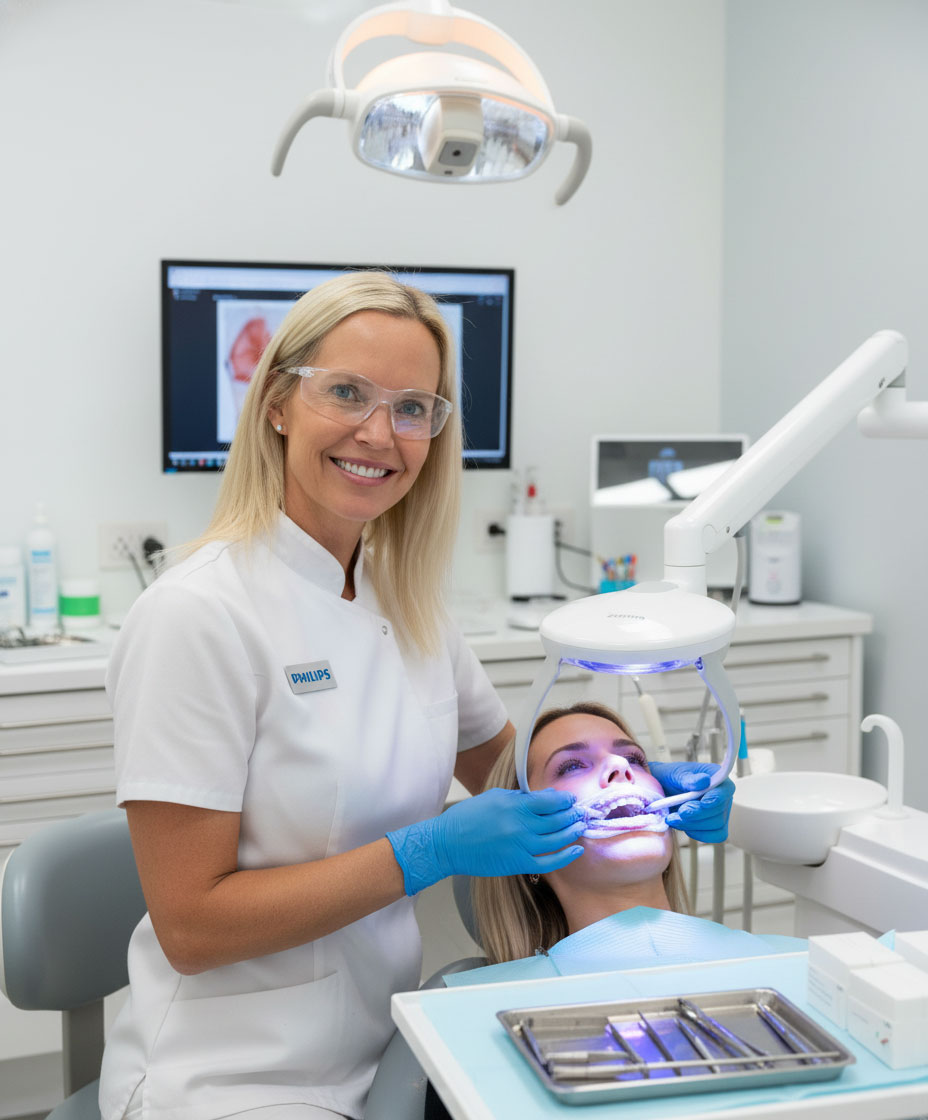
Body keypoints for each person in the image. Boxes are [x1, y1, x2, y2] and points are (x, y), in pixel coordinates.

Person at [99, 272, 734, 1120]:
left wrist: (641, 778)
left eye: (413, 408)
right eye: (347, 393)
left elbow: (510, 773)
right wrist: (423, 853)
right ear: (278, 403)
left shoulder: (409, 604)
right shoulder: (196, 616)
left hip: (396, 1042)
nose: (379, 433)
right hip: (234, 1075)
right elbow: (192, 926)